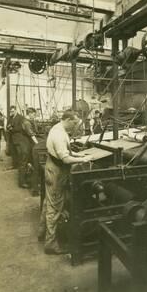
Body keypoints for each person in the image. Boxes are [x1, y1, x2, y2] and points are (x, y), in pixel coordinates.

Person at [38, 110, 90, 255]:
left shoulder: (58, 128)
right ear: (67, 119)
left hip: (52, 167)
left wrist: (77, 154)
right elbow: (65, 159)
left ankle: (41, 232)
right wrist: (83, 160)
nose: (75, 127)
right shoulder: (59, 135)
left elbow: (66, 152)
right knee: (55, 207)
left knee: (49, 202)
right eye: (74, 123)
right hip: (56, 171)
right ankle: (51, 244)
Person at [15, 108, 39, 188]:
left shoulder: (26, 121)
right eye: (34, 114)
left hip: (25, 143)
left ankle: (25, 179)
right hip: (24, 144)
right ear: (30, 113)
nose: (34, 116)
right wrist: (38, 143)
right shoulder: (26, 122)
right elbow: (31, 134)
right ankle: (22, 183)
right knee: (23, 162)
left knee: (25, 162)